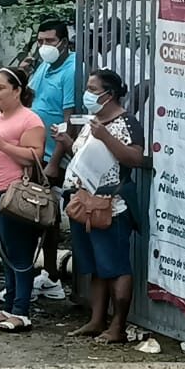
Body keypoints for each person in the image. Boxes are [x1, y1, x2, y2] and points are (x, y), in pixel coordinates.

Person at [56, 70, 144, 343]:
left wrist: (106, 136)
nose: (88, 94)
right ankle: (96, 320)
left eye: (93, 90)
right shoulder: (92, 122)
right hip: (83, 202)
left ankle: (117, 326)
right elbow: (87, 157)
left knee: (115, 265)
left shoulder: (127, 122)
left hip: (110, 204)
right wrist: (67, 144)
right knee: (94, 265)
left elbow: (135, 158)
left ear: (110, 94)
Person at [0, 67, 45, 332]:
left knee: (19, 252)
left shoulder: (30, 120)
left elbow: (33, 155)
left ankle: (21, 310)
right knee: (4, 251)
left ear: (18, 91)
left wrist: (3, 145)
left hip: (13, 194)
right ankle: (9, 306)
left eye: (2, 88)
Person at [31, 19, 74, 301]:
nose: (45, 47)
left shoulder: (71, 70)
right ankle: (48, 274)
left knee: (46, 216)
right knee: (44, 217)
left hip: (54, 155)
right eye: (41, 41)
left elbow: (68, 122)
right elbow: (32, 96)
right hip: (37, 150)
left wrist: (54, 161)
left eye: (50, 41)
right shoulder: (45, 66)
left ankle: (50, 275)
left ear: (64, 42)